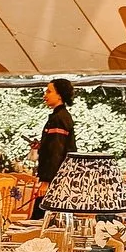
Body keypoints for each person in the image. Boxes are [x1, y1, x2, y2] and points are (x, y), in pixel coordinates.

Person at [32, 76, 76, 214]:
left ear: (59, 95)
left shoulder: (59, 118)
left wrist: (46, 181)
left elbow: (56, 151)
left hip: (55, 179)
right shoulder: (61, 117)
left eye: (49, 91)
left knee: (41, 219)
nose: (45, 95)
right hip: (58, 178)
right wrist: (42, 145)